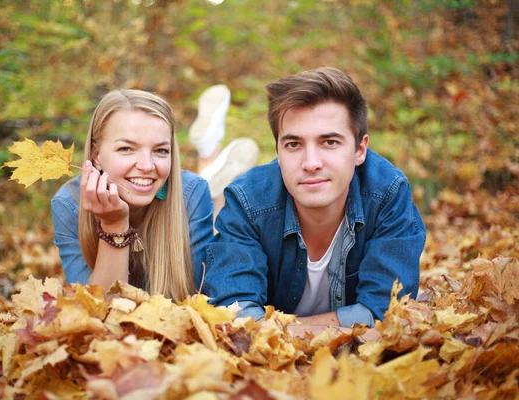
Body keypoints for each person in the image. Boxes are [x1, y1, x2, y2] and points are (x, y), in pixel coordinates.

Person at [201, 67, 426, 328]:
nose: (311, 163)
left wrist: (286, 330)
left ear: (360, 150)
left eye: (329, 142)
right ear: (278, 151)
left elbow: (385, 315)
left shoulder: (386, 193)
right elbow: (235, 314)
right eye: (293, 145)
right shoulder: (248, 201)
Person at [51, 87, 258, 297]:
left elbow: (198, 298)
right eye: (126, 149)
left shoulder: (190, 193)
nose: (147, 165)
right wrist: (114, 225)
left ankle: (209, 156)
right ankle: (209, 154)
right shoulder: (69, 204)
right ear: (96, 155)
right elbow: (97, 314)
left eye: (160, 151)